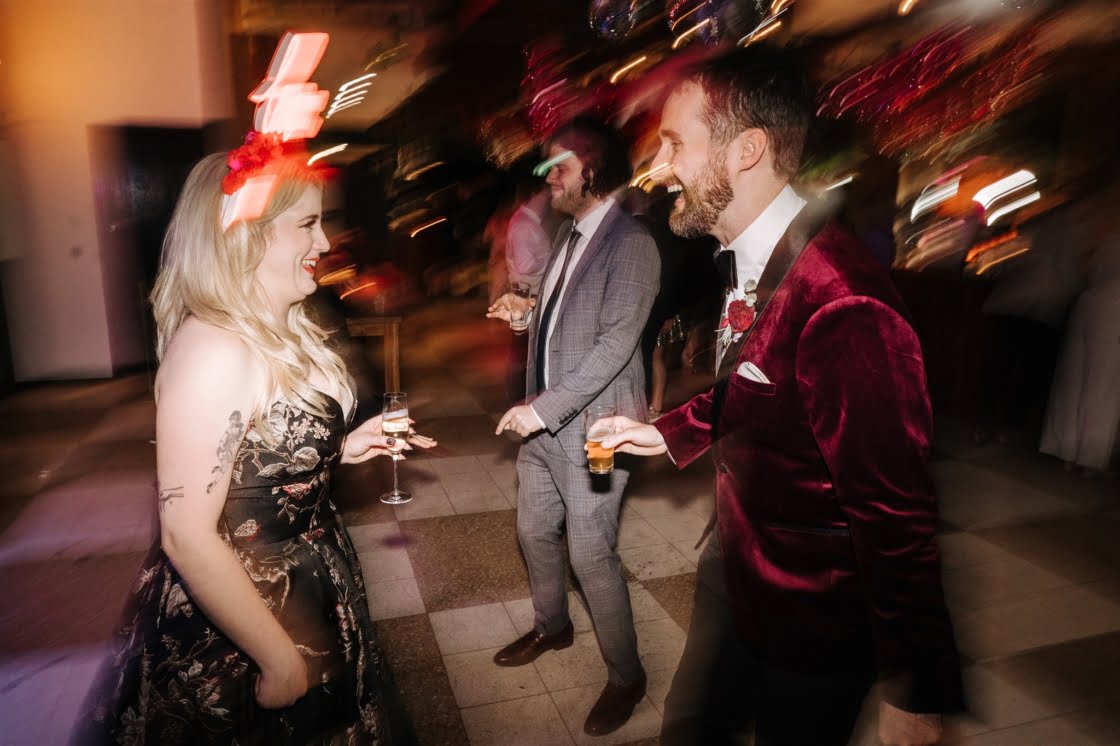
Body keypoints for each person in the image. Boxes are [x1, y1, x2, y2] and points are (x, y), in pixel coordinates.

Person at [596, 46, 964, 746]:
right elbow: (763, 385)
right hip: (735, 565)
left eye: (675, 143)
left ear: (747, 151)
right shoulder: (756, 257)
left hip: (815, 615)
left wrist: (917, 687)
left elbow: (896, 515)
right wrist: (669, 429)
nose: (661, 165)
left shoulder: (845, 304)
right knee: (690, 732)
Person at [73, 139, 434, 745]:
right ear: (246, 234)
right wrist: (277, 658)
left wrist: (335, 450)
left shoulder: (283, 323)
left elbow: (255, 459)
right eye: (308, 225)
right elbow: (187, 535)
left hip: (311, 585)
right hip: (245, 615)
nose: (326, 243)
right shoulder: (213, 349)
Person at [486, 117, 660, 736]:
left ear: (593, 168)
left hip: (595, 429)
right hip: (545, 420)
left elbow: (615, 343)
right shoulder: (569, 235)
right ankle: (552, 627)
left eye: (557, 166)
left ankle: (627, 676)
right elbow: (561, 308)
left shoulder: (633, 243)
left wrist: (540, 409)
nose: (548, 178)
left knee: (591, 553)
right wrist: (525, 309)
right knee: (534, 531)